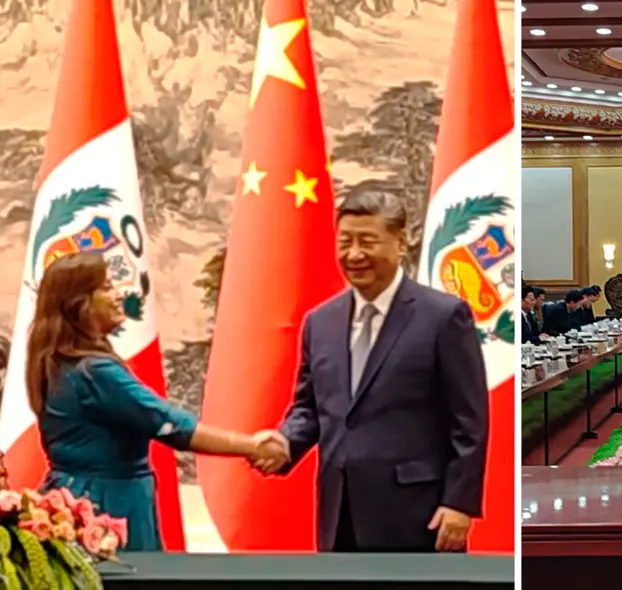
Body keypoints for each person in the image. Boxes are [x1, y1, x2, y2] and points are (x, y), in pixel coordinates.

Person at [252, 191, 489, 553]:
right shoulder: (320, 322)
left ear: (400, 242)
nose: (354, 254)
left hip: (419, 515)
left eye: (368, 241)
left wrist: (459, 502)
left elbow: (469, 421)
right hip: (339, 510)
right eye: (345, 241)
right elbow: (310, 408)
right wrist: (285, 441)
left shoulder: (443, 316)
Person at [24, 252, 287, 551]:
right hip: (108, 507)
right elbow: (169, 425)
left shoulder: (57, 363)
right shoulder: (94, 372)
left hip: (72, 500)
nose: (118, 294)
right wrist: (251, 446)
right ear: (80, 304)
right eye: (107, 287)